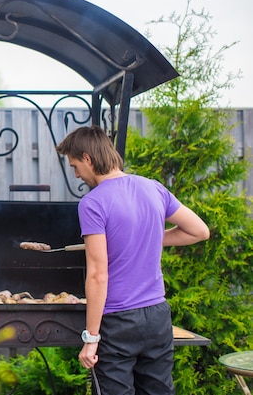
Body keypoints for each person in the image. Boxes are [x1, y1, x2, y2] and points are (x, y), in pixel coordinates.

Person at [55, 125, 210, 395]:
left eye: (75, 165)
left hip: (118, 322)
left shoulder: (92, 203)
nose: (77, 173)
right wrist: (145, 235)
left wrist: (91, 339)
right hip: (157, 316)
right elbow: (199, 231)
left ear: (88, 158)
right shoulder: (154, 189)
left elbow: (97, 275)